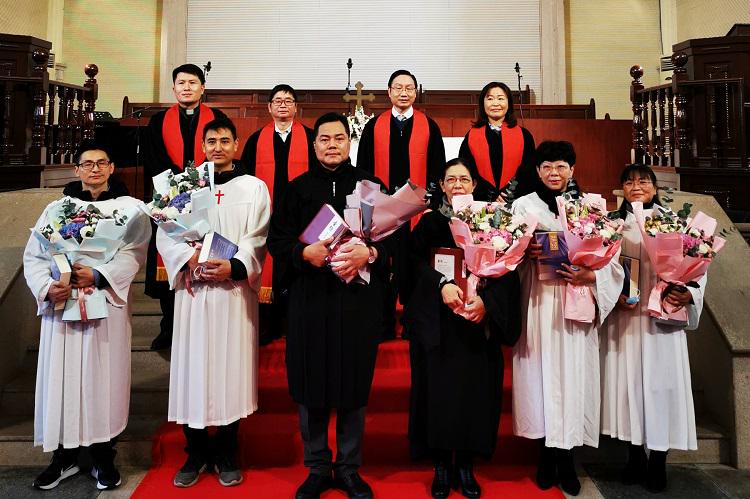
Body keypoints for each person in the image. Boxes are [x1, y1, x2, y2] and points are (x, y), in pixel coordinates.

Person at [268, 113, 394, 499]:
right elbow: (277, 240)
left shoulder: (370, 188)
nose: (332, 145)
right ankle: (318, 466)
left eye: (339, 138)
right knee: (312, 383)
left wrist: (370, 253)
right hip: (311, 300)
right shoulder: (296, 188)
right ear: (314, 144)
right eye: (324, 139)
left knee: (354, 385)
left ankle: (350, 468)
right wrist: (304, 252)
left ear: (348, 142)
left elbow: (396, 242)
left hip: (357, 301)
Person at [23, 142, 150, 491]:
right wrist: (49, 288)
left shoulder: (130, 209)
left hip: (102, 305)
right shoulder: (56, 208)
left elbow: (134, 252)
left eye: (101, 163)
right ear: (76, 170)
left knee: (102, 379)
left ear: (112, 168)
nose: (94, 169)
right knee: (60, 378)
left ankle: (101, 455)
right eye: (87, 163)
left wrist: (97, 275)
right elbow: (34, 256)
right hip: (62, 306)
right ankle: (62, 457)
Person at [156, 117, 270, 488]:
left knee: (229, 370)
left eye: (224, 140)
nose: (217, 146)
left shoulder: (254, 187)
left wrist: (235, 265)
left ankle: (226, 451)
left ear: (236, 145)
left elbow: (258, 235)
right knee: (193, 368)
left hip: (232, 293)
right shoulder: (183, 185)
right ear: (202, 146)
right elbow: (165, 230)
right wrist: (182, 258)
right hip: (193, 292)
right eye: (211, 141)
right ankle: (195, 451)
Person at [403, 158, 521, 499]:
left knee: (475, 393)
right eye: (450, 179)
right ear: (441, 185)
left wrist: (488, 303)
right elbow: (414, 263)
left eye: (464, 179)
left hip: (476, 322)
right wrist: (441, 284)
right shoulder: (431, 223)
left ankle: (466, 464)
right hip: (439, 322)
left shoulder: (493, 222)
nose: (457, 184)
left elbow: (507, 269)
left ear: (473, 185)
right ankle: (441, 463)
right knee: (437, 392)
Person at [510, 141, 623, 496]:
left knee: (573, 379)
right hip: (540, 303)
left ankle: (567, 459)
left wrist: (593, 278)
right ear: (538, 170)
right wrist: (521, 250)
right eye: (547, 167)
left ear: (572, 170)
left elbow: (612, 262)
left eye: (560, 166)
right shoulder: (522, 205)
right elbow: (500, 252)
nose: (554, 173)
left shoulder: (588, 207)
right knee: (541, 378)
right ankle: (545, 455)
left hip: (576, 306)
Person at [601, 164, 705, 492]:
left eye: (643, 181)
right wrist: (611, 294)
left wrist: (688, 291)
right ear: (621, 188)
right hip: (627, 320)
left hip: (663, 323)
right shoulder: (611, 225)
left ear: (654, 187)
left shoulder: (674, 223)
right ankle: (634, 457)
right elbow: (599, 267)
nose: (636, 186)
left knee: (662, 390)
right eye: (629, 181)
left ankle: (659, 461)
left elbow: (698, 267)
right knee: (628, 389)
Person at [356, 69, 446, 339]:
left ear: (415, 92)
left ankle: (413, 322)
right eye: (398, 87)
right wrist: (370, 201)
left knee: (414, 264)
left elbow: (438, 167)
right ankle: (383, 323)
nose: (404, 92)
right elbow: (363, 167)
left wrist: (431, 201)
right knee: (383, 264)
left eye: (409, 87)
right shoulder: (374, 126)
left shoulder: (429, 126)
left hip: (418, 210)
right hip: (382, 210)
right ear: (389, 92)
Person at [144, 63, 228, 351]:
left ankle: (205, 323)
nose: (187, 87)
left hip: (210, 198)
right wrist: (176, 191)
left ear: (202, 88)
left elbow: (221, 152)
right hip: (171, 201)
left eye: (193, 82)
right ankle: (169, 326)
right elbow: (153, 161)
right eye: (181, 83)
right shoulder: (158, 122)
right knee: (173, 257)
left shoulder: (216, 117)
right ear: (174, 88)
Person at [240, 84, 316, 345]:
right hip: (267, 213)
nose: (283, 105)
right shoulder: (255, 141)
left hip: (302, 216)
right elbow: (246, 178)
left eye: (288, 101)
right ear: (269, 107)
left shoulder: (310, 137)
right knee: (269, 266)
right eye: (278, 101)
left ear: (296, 106)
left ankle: (295, 324)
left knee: (297, 266)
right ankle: (269, 325)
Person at [458, 82, 536, 203]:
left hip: (517, 202)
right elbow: (467, 169)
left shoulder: (524, 135)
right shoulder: (472, 136)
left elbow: (529, 170)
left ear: (509, 103)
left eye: (501, 98)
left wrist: (509, 193)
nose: (495, 103)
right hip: (481, 202)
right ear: (482, 104)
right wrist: (490, 194)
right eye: (490, 99)